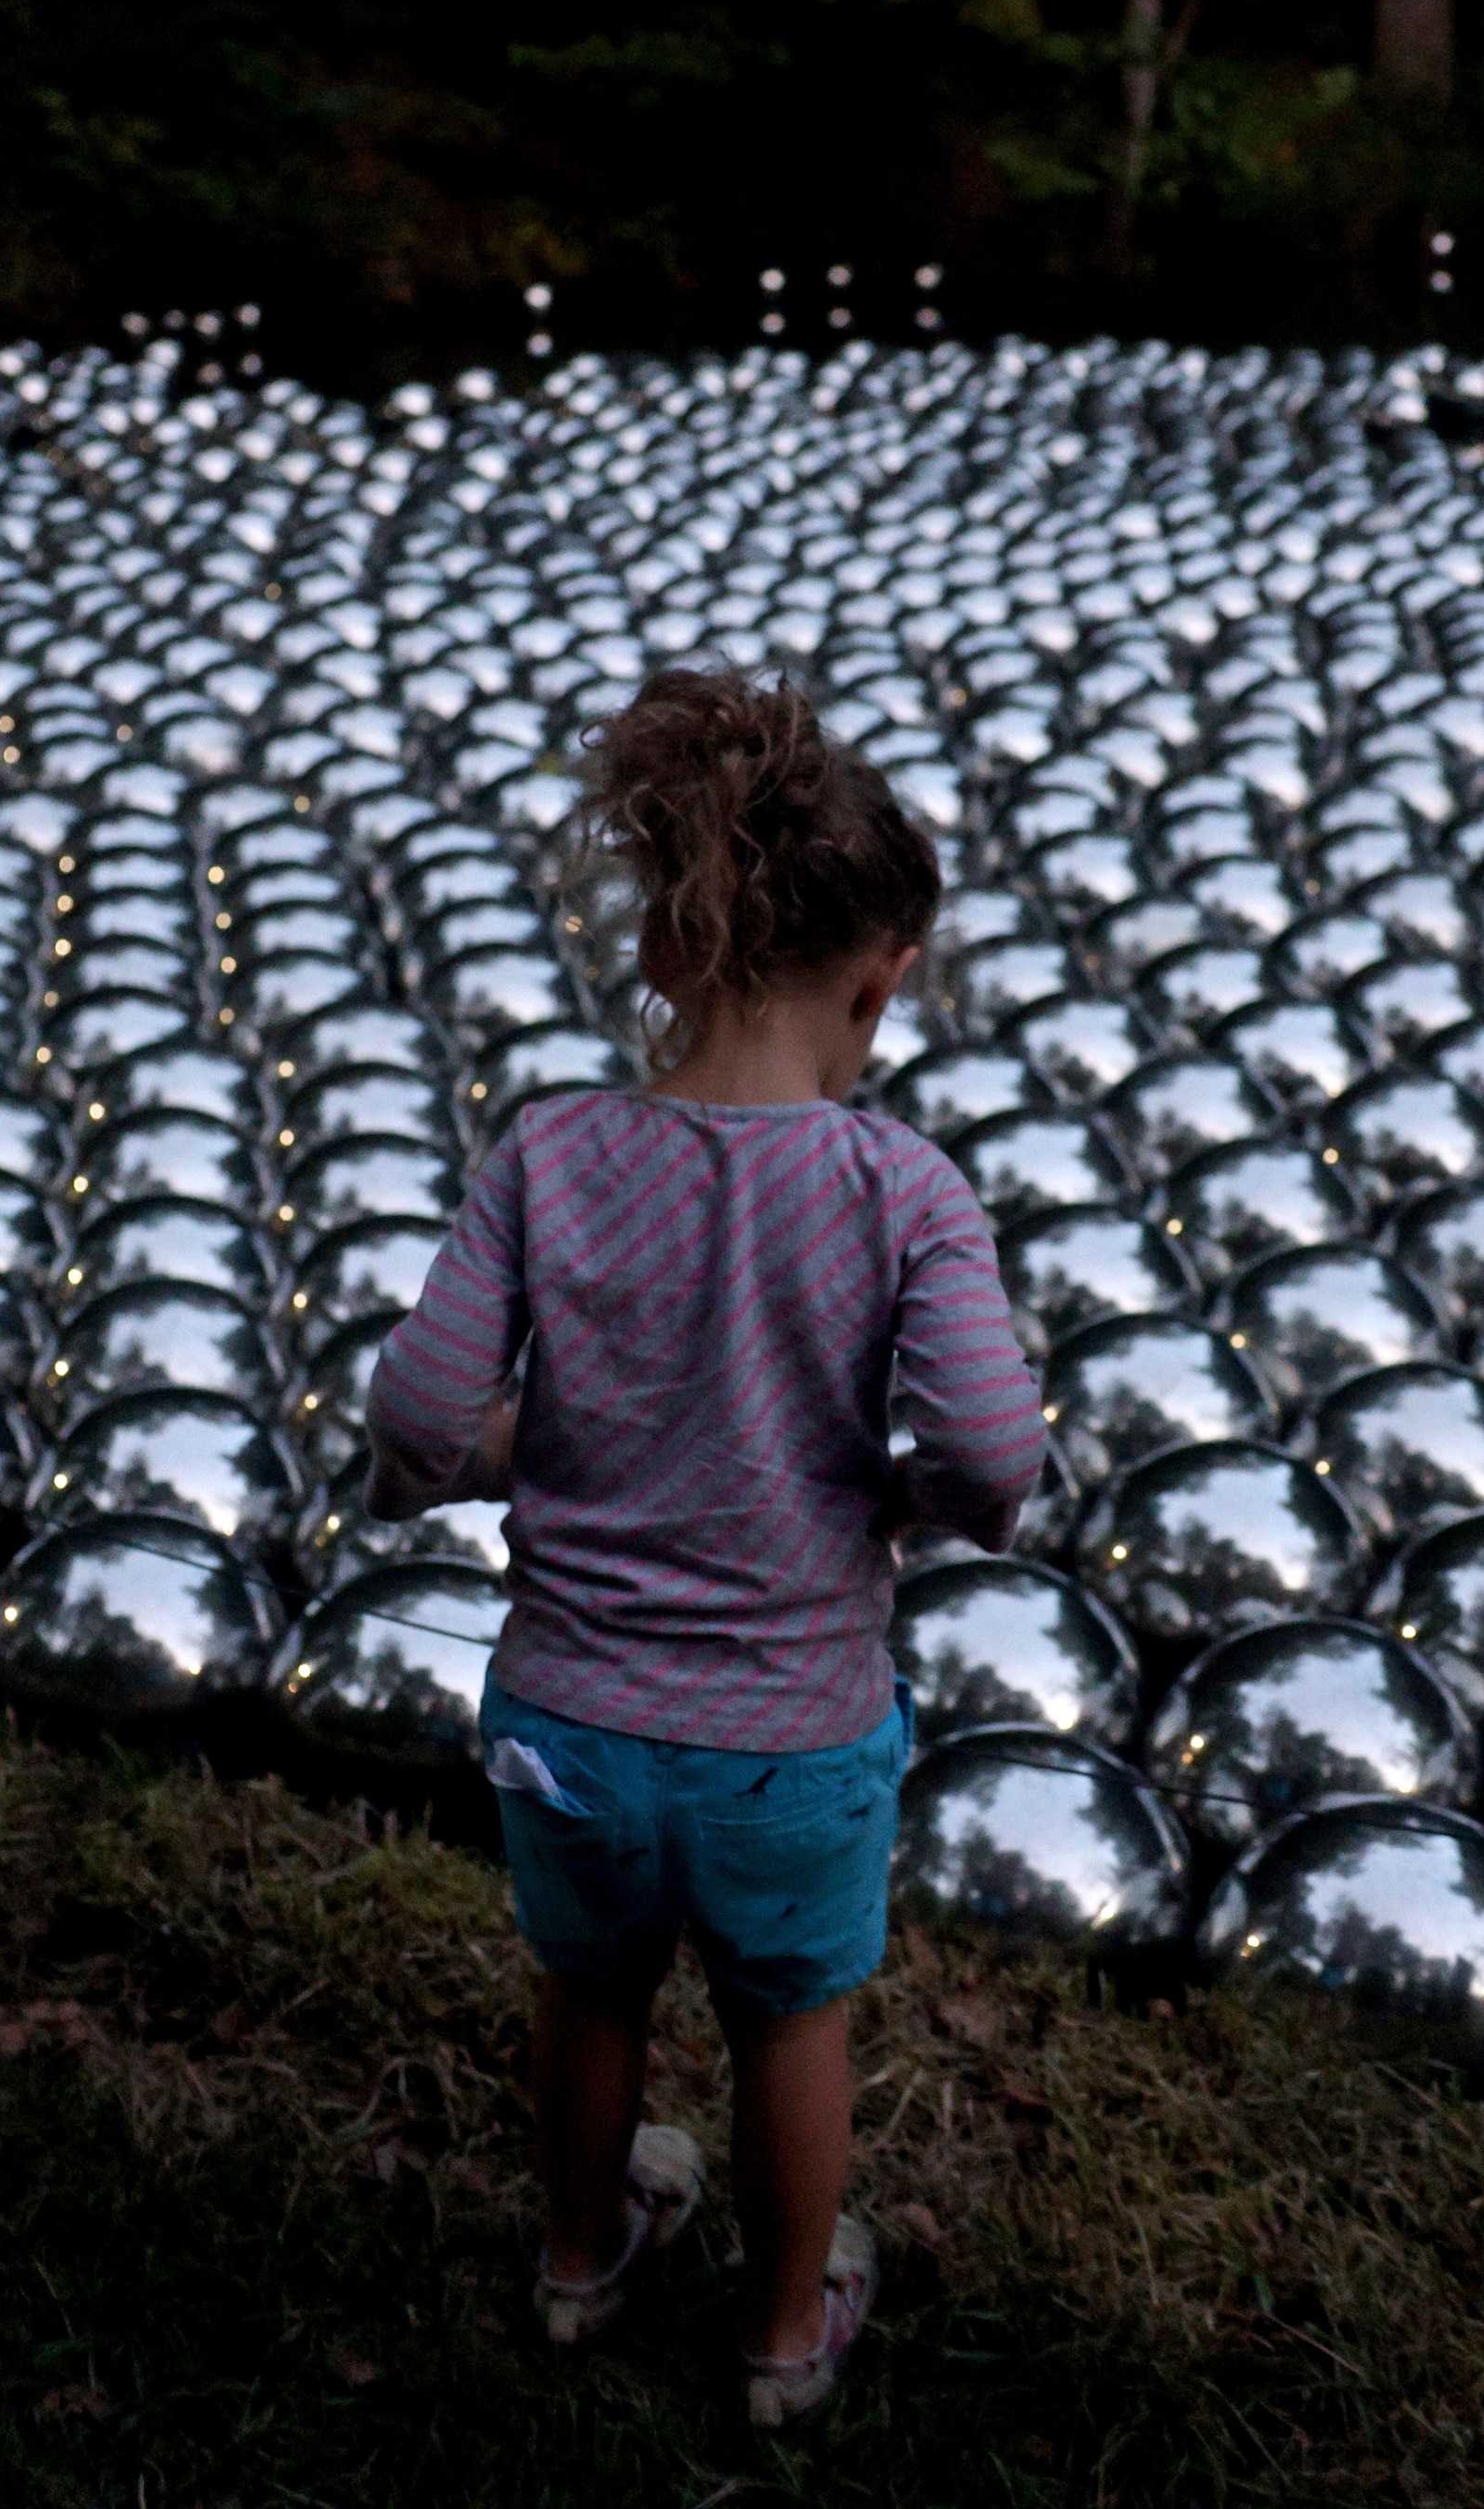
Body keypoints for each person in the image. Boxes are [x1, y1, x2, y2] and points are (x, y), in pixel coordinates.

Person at [364, 667, 1045, 2427]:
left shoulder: (553, 1155)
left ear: (663, 951)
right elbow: (991, 1451)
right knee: (786, 2022)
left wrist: (512, 1447)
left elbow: (426, 1411)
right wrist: (904, 1500)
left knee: (587, 1994)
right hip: (791, 1743)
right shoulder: (902, 1191)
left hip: (570, 1724)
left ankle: (581, 2264)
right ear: (883, 982)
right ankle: (781, 2341)